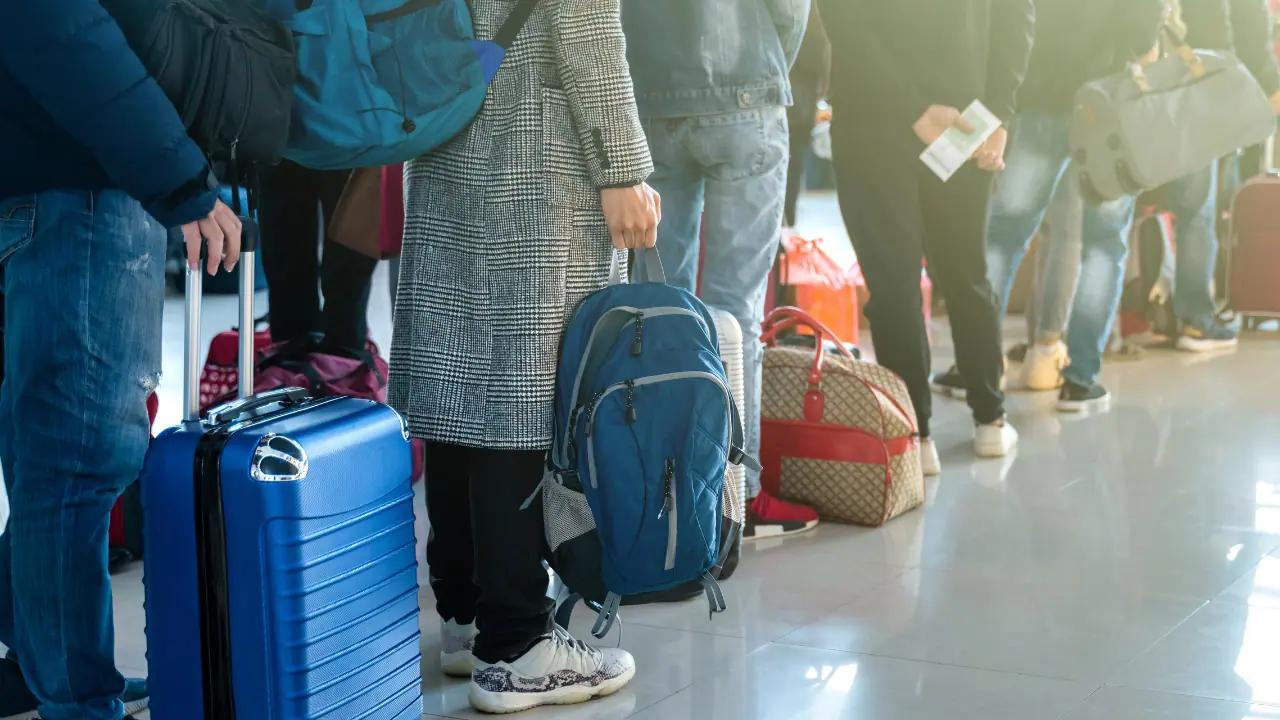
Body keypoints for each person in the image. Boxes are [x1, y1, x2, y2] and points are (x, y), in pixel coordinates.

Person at [387, 0, 660, 713]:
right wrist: (622, 168)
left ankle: (465, 615)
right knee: (522, 395)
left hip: (447, 131)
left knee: (458, 385)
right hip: (540, 155)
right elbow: (588, 27)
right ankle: (516, 646)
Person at [0, 3, 242, 719]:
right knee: (78, 457)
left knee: (45, 447)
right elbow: (63, 25)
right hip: (81, 179)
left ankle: (46, 661)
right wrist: (176, 176)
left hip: (56, 174)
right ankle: (76, 697)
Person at [623, 0, 821, 539]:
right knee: (735, 311)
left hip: (650, 97)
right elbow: (790, 11)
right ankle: (737, 497)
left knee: (658, 310)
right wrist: (767, 66)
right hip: (747, 93)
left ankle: (658, 488)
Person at [817, 0, 1035, 474]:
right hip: (963, 116)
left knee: (894, 281)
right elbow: (1017, 15)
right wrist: (998, 111)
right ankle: (990, 420)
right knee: (964, 271)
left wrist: (910, 106)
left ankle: (915, 436)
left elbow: (845, 17)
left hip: (874, 120)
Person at [934, 0, 1164, 415]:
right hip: (1108, 108)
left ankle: (974, 367)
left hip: (1040, 92)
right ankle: (1079, 382)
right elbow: (1143, 33)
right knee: (1103, 245)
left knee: (1004, 236)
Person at [1163, 0, 1280, 352]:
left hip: (1144, 91)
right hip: (1201, 90)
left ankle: (1073, 335)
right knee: (1197, 211)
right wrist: (1267, 85)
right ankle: (1195, 319)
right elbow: (1242, 30)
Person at [258, 162, 380, 351]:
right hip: (288, 146)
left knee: (348, 267)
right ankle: (298, 360)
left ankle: (342, 358)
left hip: (346, 146)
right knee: (288, 269)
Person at [783, 3, 832, 230]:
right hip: (798, 103)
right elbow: (816, 51)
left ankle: (783, 239)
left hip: (781, 101)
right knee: (791, 173)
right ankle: (786, 235)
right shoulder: (809, 12)